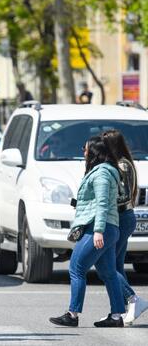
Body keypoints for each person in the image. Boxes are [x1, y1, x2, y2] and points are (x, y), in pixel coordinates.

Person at [49, 135, 125, 328]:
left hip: (99, 228)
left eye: (85, 148)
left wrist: (98, 231)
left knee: (76, 268)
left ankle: (72, 315)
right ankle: (116, 316)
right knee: (108, 272)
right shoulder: (104, 171)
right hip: (107, 227)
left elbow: (102, 204)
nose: (83, 152)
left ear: (94, 152)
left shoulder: (101, 174)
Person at [100, 129, 148, 325]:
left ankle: (133, 299)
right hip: (122, 217)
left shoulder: (122, 165)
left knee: (107, 265)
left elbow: (124, 196)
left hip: (121, 218)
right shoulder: (121, 163)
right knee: (117, 265)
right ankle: (120, 310)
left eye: (104, 145)